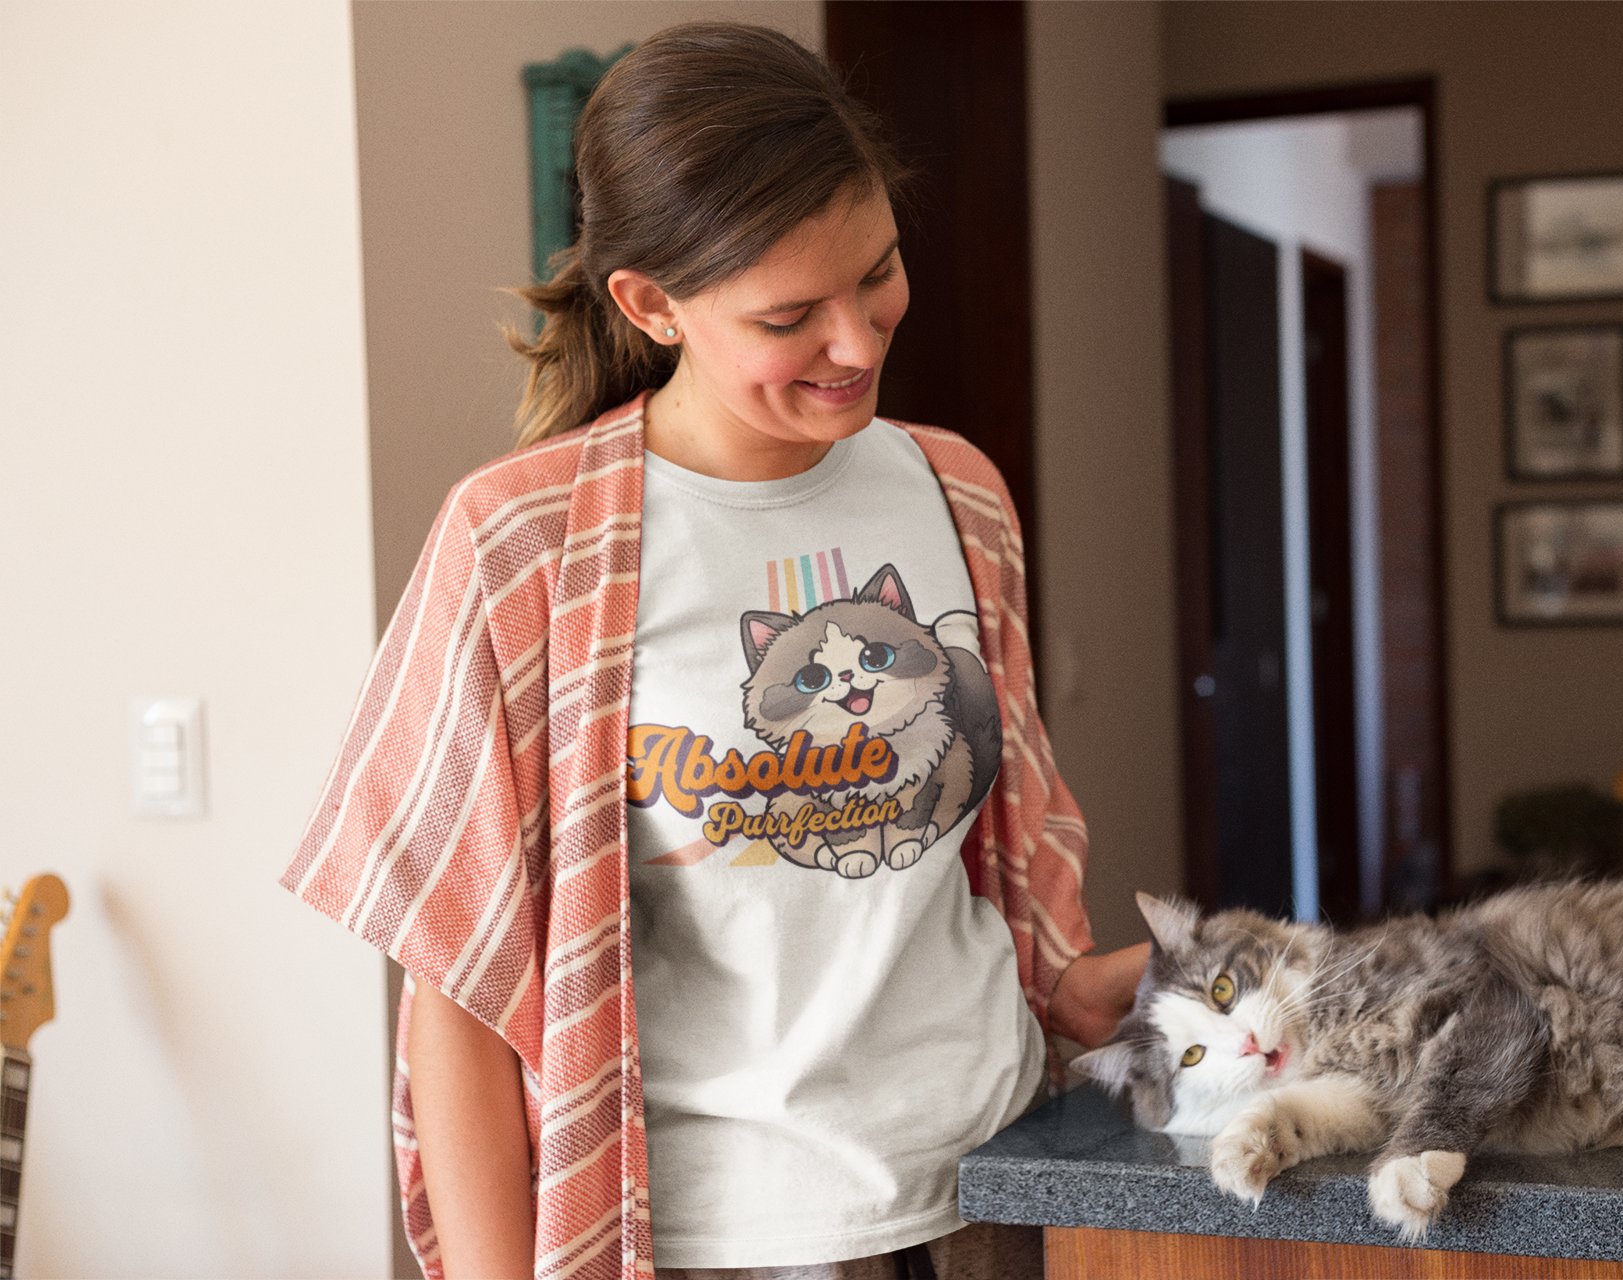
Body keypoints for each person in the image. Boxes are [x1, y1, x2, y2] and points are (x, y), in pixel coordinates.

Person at [282, 21, 1147, 1280]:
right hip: (725, 1235)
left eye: (879, 273)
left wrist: (1096, 982)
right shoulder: (524, 548)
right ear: (651, 303)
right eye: (791, 315)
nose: (859, 343)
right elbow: (458, 991)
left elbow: (997, 858)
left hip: (997, 1195)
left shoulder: (957, 491)